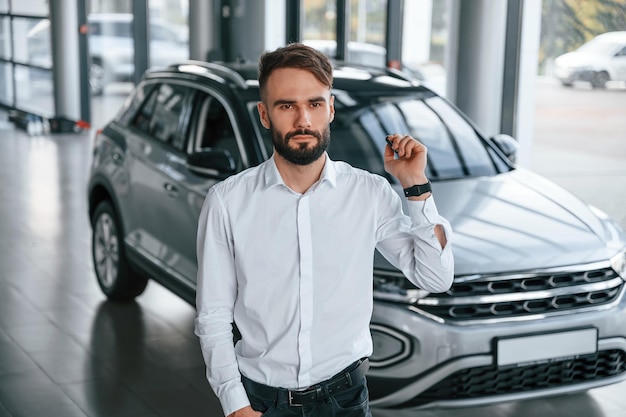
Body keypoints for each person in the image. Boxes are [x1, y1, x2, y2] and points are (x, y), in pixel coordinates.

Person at [195, 43, 454, 417]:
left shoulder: (369, 193)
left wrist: (416, 186)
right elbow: (213, 315)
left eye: (315, 104)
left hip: (345, 400)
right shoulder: (227, 202)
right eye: (287, 106)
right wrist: (235, 405)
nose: (303, 120)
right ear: (265, 115)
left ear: (330, 109)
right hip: (261, 402)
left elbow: (435, 277)